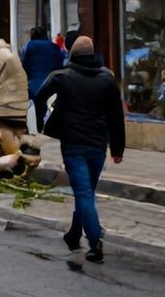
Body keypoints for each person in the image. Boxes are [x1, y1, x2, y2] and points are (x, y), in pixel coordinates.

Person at [35, 36, 126, 263]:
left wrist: (40, 123)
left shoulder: (61, 77)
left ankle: (95, 241)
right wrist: (118, 148)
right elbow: (117, 117)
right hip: (98, 144)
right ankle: (75, 233)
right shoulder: (108, 79)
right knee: (86, 191)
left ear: (72, 55)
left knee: (83, 192)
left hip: (73, 143)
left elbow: (39, 97)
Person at [21, 27, 66, 101]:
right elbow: (61, 64)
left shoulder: (28, 46)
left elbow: (24, 65)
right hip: (52, 86)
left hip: (33, 86)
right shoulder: (54, 46)